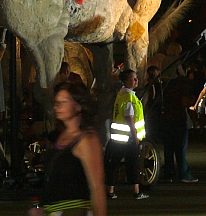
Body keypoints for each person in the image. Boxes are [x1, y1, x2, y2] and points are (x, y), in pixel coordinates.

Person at [42, 81, 106, 216]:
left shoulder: (87, 140)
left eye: (63, 102)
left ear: (78, 106)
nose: (57, 106)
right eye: (56, 102)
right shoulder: (62, 136)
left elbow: (97, 187)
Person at [105, 70, 149, 200]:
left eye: (136, 78)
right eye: (133, 78)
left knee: (114, 163)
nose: (136, 80)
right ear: (125, 81)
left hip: (118, 137)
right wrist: (135, 136)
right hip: (129, 138)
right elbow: (129, 117)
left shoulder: (120, 95)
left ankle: (111, 190)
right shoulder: (129, 97)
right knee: (133, 164)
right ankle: (136, 191)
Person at [159, 65, 198, 183]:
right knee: (180, 148)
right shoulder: (181, 84)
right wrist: (192, 101)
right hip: (178, 118)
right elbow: (184, 101)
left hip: (166, 117)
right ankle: (184, 174)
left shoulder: (163, 84)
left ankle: (169, 173)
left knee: (168, 149)